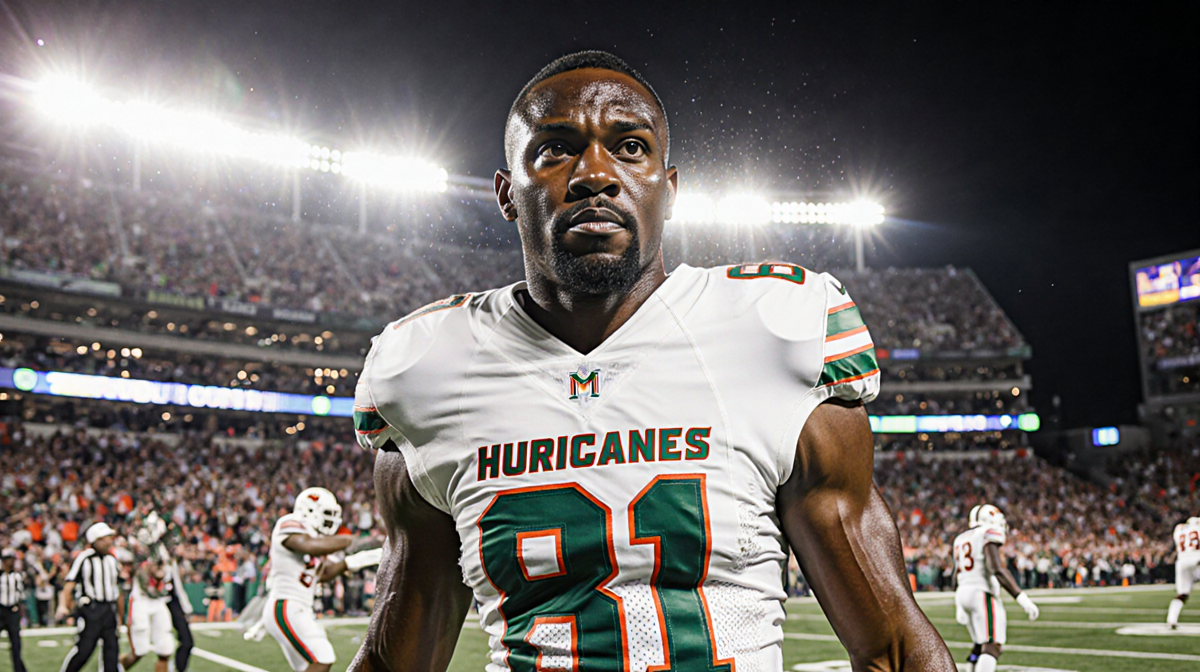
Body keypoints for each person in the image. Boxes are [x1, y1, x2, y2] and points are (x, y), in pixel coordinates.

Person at [349, 50, 953, 671]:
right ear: (507, 194)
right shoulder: (424, 367)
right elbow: (396, 658)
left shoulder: (774, 331)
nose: (595, 174)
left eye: (630, 147)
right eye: (555, 149)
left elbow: (894, 646)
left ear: (668, 190)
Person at [259, 487, 382, 672]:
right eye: (326, 513)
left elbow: (324, 574)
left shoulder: (317, 538)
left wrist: (357, 560)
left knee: (314, 663)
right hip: (286, 604)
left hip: (298, 606)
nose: (330, 519)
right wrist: (350, 540)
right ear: (308, 510)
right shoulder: (291, 523)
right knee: (323, 657)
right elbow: (306, 545)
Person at [952, 505, 1039, 672]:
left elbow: (956, 573)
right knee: (992, 646)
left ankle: (970, 666)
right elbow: (996, 568)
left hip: (963, 591)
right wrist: (1022, 598)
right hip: (981, 593)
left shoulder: (961, 538)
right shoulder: (986, 533)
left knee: (979, 643)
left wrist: (958, 601)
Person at [58, 522, 122, 672]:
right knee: (84, 649)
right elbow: (69, 584)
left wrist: (119, 616)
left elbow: (117, 590)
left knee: (111, 652)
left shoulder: (112, 560)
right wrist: (63, 605)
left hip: (109, 609)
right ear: (96, 540)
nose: (109, 541)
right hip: (91, 610)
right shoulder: (84, 558)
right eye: (105, 538)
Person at [120, 513, 177, 672]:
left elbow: (165, 573)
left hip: (159, 600)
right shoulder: (139, 547)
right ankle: (112, 668)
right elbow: (139, 571)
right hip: (142, 599)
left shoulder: (163, 551)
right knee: (140, 650)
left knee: (165, 648)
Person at [1167, 515, 1200, 629]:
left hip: (1182, 561)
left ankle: (1172, 619)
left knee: (1182, 594)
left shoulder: (1179, 531)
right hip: (1197, 559)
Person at [0, 548, 27, 672]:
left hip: (12, 611)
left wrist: (20, 611)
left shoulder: (17, 576)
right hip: (0, 610)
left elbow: (20, 595)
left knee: (16, 644)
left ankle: (19, 670)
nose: (10, 562)